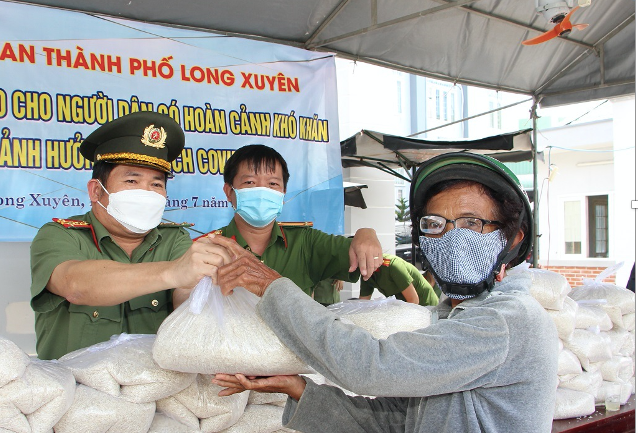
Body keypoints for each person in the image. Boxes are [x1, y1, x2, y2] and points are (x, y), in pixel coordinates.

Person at [212, 152, 558, 433]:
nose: (452, 238)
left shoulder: (505, 321)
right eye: (435, 224)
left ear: (512, 238)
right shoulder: (451, 316)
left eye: (471, 223)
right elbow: (395, 423)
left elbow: (372, 367)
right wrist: (298, 389)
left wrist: (271, 287)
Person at [29, 111, 233, 359]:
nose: (146, 193)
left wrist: (210, 288)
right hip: (74, 382)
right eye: (132, 181)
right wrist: (172, 272)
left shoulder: (174, 239)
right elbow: (74, 285)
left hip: (155, 381)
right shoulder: (60, 235)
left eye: (156, 184)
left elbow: (187, 301)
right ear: (96, 191)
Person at [205, 144, 384, 298]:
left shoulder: (306, 242)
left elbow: (366, 257)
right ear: (229, 191)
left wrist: (366, 234)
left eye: (273, 184)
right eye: (250, 182)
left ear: (283, 194)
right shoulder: (208, 249)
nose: (262, 191)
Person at [359, 254, 439, 306]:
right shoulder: (365, 273)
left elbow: (413, 301)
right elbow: (363, 304)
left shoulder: (392, 266)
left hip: (425, 304)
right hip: (405, 306)